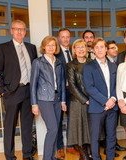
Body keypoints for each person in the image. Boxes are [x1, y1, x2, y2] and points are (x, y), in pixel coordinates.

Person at [0, 19, 37, 160]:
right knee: (10, 126)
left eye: (22, 29)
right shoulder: (3, 48)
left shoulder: (31, 48)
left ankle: (27, 155)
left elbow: (35, 70)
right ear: (11, 31)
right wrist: (2, 90)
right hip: (12, 92)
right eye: (16, 29)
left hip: (29, 91)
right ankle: (10, 156)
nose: (19, 32)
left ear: (25, 32)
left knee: (27, 126)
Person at [30, 36, 67, 160]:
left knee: (55, 130)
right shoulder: (38, 62)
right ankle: (47, 158)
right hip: (44, 99)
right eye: (48, 45)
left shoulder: (59, 62)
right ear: (44, 47)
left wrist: (63, 100)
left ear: (56, 47)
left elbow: (61, 82)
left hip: (57, 99)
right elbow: (33, 84)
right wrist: (34, 104)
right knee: (53, 128)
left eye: (53, 45)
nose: (51, 47)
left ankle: (52, 156)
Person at [83, 38, 119, 160]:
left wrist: (113, 99)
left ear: (106, 49)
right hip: (97, 107)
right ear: (93, 50)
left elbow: (116, 85)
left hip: (112, 107)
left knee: (111, 136)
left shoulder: (113, 66)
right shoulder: (88, 67)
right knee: (95, 137)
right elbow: (90, 88)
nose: (99, 50)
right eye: (96, 47)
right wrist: (105, 101)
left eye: (102, 47)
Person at [67, 39, 93, 160]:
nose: (81, 50)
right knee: (79, 129)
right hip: (78, 102)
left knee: (90, 128)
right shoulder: (71, 65)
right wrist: (85, 100)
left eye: (83, 47)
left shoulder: (92, 62)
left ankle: (90, 153)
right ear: (74, 50)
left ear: (86, 49)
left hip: (93, 101)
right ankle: (83, 155)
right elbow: (72, 86)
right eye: (78, 47)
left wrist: (92, 99)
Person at [55, 28, 78, 159]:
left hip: (72, 92)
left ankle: (70, 146)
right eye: (63, 37)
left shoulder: (73, 52)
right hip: (60, 92)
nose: (65, 39)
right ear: (59, 38)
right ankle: (59, 148)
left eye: (68, 37)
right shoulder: (56, 53)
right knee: (58, 120)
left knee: (72, 120)